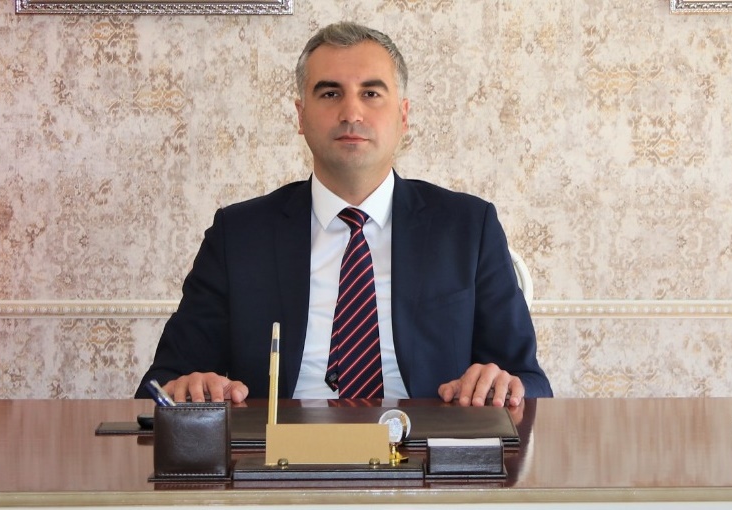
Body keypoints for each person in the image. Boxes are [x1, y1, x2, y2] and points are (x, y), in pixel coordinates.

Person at [135, 21, 552, 408]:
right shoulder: (239, 236)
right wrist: (189, 386)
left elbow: (531, 382)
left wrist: (504, 385)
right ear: (301, 116)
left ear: (403, 115)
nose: (351, 113)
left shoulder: (468, 228)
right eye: (330, 94)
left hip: (423, 450)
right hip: (278, 455)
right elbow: (162, 383)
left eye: (371, 94)